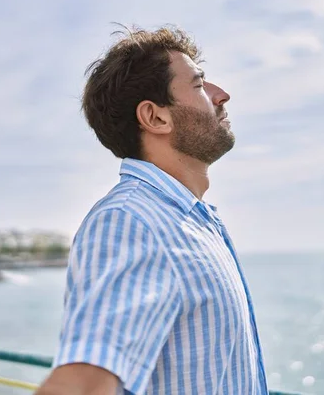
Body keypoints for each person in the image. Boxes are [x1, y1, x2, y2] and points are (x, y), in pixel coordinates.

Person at [35, 25, 268, 395]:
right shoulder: (133, 220)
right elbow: (80, 385)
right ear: (156, 117)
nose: (222, 95)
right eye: (199, 85)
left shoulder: (191, 221)